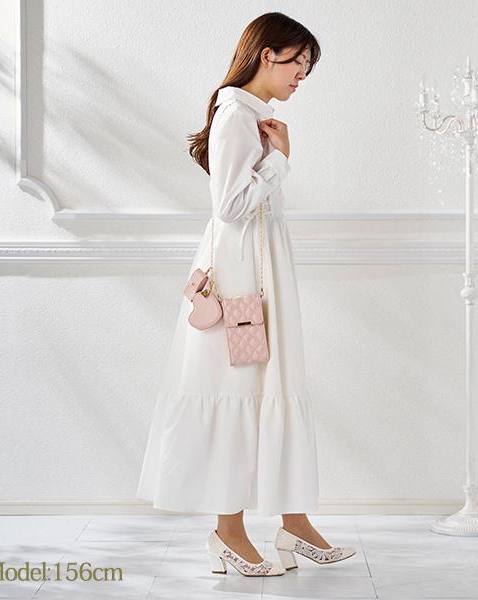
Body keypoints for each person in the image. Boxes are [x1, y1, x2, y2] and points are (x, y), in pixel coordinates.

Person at [136, 12, 356, 576]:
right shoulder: (236, 114)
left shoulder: (255, 115)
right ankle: (229, 532)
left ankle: (293, 521)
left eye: (308, 65)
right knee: (238, 389)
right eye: (297, 61)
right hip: (240, 282)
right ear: (266, 54)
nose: (302, 75)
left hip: (258, 273)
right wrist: (280, 160)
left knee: (271, 386)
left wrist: (276, 156)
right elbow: (230, 207)